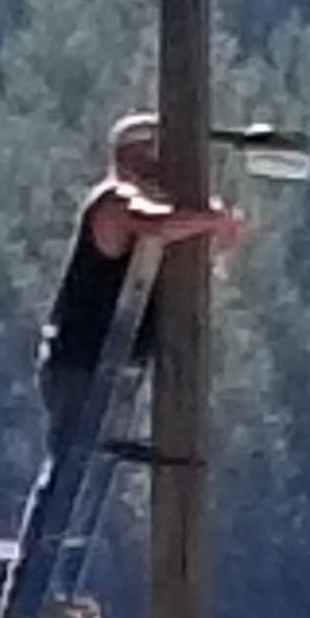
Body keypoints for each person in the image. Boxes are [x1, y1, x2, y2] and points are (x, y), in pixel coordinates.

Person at [34, 110, 246, 453]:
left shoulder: (169, 220)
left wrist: (213, 236)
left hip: (116, 368)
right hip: (80, 363)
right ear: (131, 157)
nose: (161, 167)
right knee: (70, 468)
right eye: (152, 155)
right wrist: (211, 220)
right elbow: (156, 224)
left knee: (92, 463)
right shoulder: (113, 200)